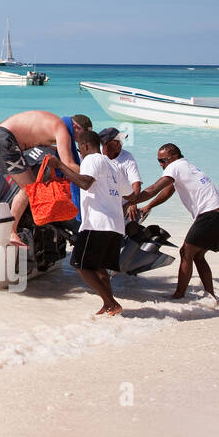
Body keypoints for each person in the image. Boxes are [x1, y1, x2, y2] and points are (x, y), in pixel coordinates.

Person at [131, 143, 219, 302]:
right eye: (159, 161)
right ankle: (210, 296)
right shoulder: (187, 167)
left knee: (185, 253)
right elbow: (167, 191)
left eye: (163, 160)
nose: (161, 164)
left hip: (210, 215)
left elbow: (154, 188)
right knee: (197, 256)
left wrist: (130, 201)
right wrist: (149, 206)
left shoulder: (175, 166)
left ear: (174, 157)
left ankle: (179, 295)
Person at [0, 110, 93, 248]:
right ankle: (11, 231)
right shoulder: (62, 129)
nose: (81, 141)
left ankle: (15, 227)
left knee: (30, 186)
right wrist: (94, 172)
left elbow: (37, 137)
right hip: (5, 140)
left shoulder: (55, 124)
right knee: (29, 189)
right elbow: (69, 164)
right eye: (83, 135)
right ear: (76, 127)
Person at [71, 128, 130, 316]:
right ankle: (108, 306)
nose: (80, 153)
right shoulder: (113, 165)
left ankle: (111, 303)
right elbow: (129, 194)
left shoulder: (91, 159)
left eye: (80, 148)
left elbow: (85, 183)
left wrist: (60, 166)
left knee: (80, 265)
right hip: (115, 225)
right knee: (99, 267)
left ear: (86, 146)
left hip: (96, 223)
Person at [99, 127, 142, 214]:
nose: (121, 143)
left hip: (123, 204)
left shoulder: (127, 157)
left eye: (121, 140)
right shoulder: (96, 156)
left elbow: (136, 183)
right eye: (117, 141)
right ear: (106, 143)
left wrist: (132, 203)